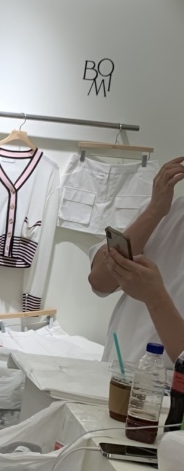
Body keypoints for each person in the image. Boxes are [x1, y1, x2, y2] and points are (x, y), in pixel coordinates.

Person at [88, 156, 184, 367]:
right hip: (118, 372)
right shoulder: (167, 210)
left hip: (167, 384)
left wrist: (155, 297)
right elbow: (99, 282)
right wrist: (154, 211)